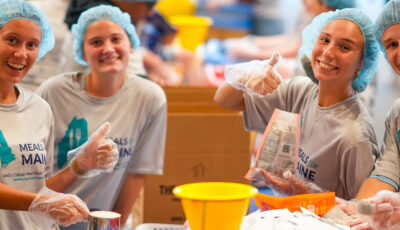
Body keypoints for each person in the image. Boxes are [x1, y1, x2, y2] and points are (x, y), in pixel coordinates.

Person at [214, 8, 380, 200]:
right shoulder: (299, 92)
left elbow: (363, 215)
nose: (327, 52)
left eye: (344, 47)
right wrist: (245, 76)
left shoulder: (355, 137)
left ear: (361, 64)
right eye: (324, 40)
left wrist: (309, 196)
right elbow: (224, 100)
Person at [36, 4, 167, 229]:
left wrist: (113, 225)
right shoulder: (53, 93)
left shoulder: (150, 97)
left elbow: (136, 175)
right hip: (48, 222)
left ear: (132, 44)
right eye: (96, 42)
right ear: (82, 52)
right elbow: (34, 183)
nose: (108, 49)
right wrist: (80, 165)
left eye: (116, 39)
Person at [0, 0, 119, 229]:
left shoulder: (39, 109)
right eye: (12, 40)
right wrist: (38, 202)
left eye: (32, 45)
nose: (21, 53)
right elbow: (38, 200)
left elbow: (40, 189)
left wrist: (80, 165)